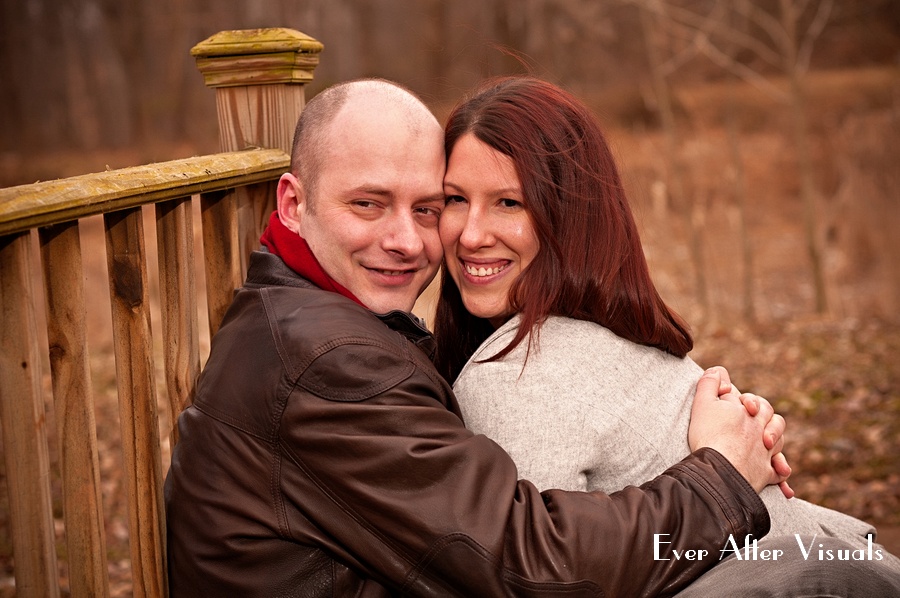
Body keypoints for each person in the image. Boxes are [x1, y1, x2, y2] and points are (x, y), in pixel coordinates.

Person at [164, 78, 788, 597]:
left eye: (428, 208)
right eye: (368, 205)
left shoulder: (302, 322)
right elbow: (534, 565)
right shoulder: (326, 361)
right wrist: (721, 476)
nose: (411, 241)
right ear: (294, 203)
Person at [433, 75, 900, 594]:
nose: (471, 234)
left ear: (569, 216)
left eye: (508, 203)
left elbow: (541, 581)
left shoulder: (512, 370)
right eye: (455, 199)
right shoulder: (604, 337)